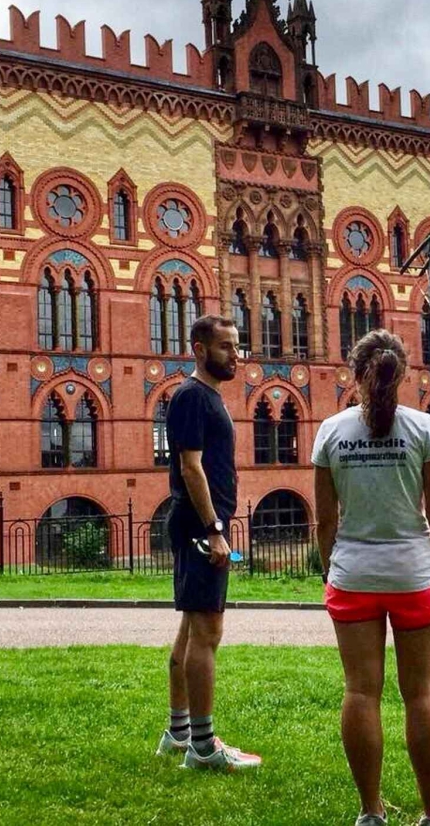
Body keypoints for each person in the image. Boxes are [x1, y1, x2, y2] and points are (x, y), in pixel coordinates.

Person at [312, 329, 430, 826]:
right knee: (422, 693)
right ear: (405, 373)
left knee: (359, 692)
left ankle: (371, 812)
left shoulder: (330, 431)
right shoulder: (423, 428)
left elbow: (325, 519)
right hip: (417, 574)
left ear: (354, 374)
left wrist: (332, 566)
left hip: (353, 575)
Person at [157, 314, 262, 771]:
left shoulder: (205, 397)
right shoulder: (191, 397)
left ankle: (179, 732)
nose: (235, 355)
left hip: (199, 524)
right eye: (225, 347)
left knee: (189, 630)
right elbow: (190, 467)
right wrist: (215, 528)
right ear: (199, 349)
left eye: (237, 346)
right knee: (207, 633)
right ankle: (203, 745)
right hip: (201, 527)